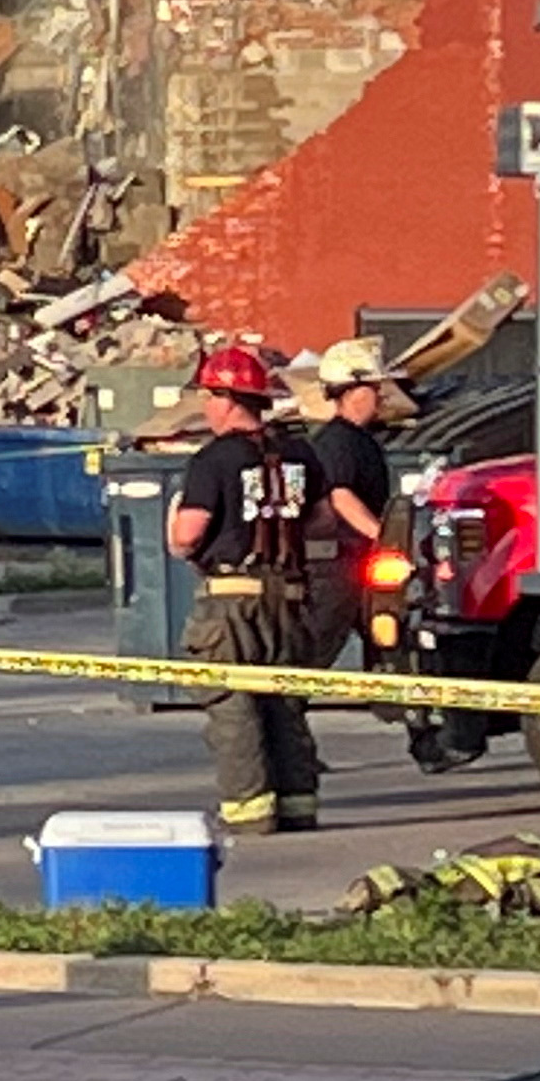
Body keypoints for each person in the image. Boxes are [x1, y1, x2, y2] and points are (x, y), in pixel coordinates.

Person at [166, 339, 321, 831]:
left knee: (232, 704)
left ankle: (249, 810)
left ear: (229, 400)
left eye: (209, 397)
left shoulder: (213, 461)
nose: (206, 408)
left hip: (232, 603)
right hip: (290, 599)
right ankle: (298, 804)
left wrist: (173, 525)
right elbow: (319, 518)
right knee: (286, 700)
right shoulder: (299, 453)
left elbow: (188, 536)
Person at [300, 339, 399, 668]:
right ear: (352, 390)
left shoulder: (358, 440)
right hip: (336, 567)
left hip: (354, 562)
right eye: (373, 387)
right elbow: (341, 496)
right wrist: (384, 538)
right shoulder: (338, 442)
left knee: (387, 645)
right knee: (315, 652)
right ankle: (282, 713)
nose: (380, 395)